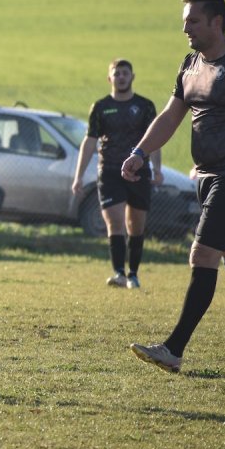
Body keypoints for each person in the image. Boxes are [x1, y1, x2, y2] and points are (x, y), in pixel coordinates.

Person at [125, 0, 225, 374]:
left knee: (202, 254)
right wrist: (139, 153)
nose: (185, 27)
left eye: (192, 20)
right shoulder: (190, 65)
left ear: (216, 22)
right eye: (184, 20)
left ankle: (173, 349)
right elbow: (171, 117)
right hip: (207, 175)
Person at [71, 59, 162, 289]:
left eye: (125, 73)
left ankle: (133, 274)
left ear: (132, 77)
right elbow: (89, 141)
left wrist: (157, 170)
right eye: (116, 73)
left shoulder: (145, 106)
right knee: (115, 222)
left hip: (138, 171)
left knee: (136, 225)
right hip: (110, 171)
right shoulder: (100, 107)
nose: (121, 77)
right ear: (109, 78)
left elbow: (156, 140)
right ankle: (119, 273)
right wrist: (78, 175)